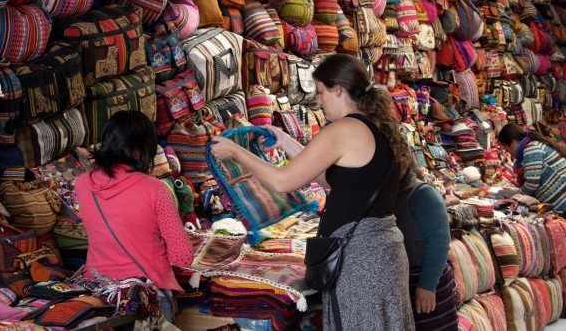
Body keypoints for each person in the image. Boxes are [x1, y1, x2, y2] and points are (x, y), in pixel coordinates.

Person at [210, 54, 415, 330]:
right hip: (380, 254)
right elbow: (331, 180)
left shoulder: (344, 129)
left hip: (360, 259)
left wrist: (236, 151)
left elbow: (283, 181)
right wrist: (285, 141)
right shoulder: (373, 127)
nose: (318, 101)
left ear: (338, 89)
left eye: (320, 92)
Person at [75, 110, 193, 323]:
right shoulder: (155, 189)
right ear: (140, 149)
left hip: (100, 294)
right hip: (145, 295)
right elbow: (182, 257)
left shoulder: (82, 183)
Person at [395, 163, 458, 330]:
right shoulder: (387, 194)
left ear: (404, 163)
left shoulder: (423, 193)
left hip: (422, 279)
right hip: (403, 282)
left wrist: (427, 285)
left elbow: (440, 241)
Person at [497, 123, 566, 214]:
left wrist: (515, 196)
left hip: (562, 202)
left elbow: (531, 184)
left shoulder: (531, 149)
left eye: (506, 148)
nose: (508, 152)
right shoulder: (533, 145)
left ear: (513, 142)